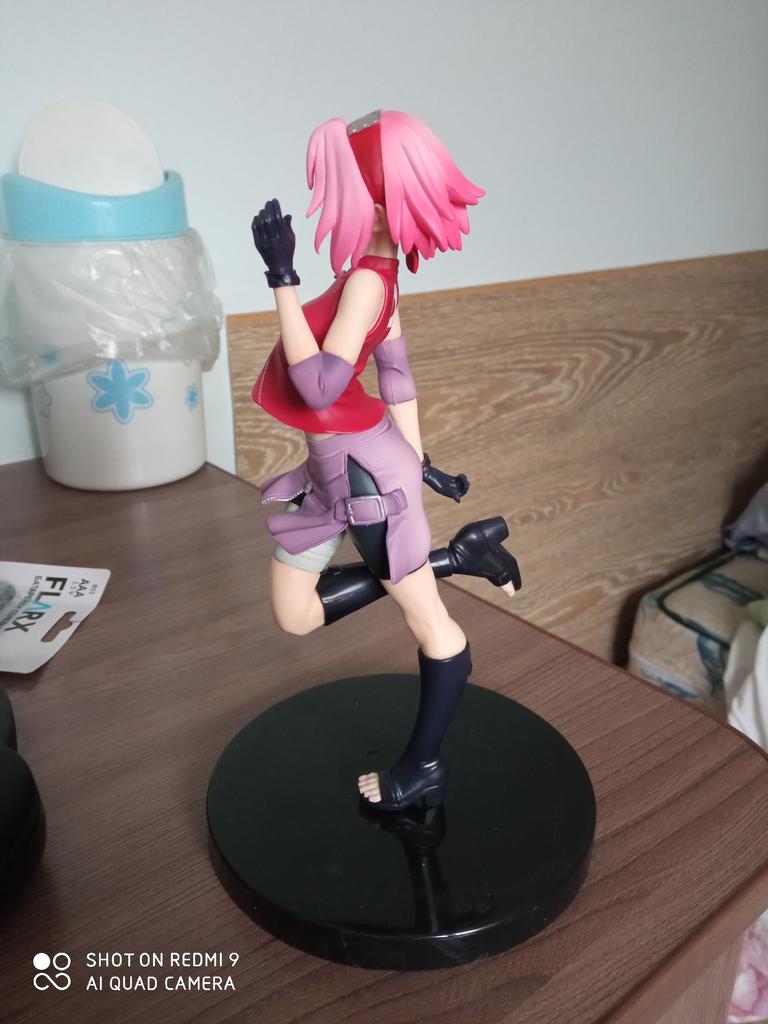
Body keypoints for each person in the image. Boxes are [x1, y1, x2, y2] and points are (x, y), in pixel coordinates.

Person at [251, 109, 521, 812]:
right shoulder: (375, 274)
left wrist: (281, 277)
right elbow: (395, 377)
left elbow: (319, 386)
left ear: (371, 203)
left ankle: (423, 767)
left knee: (433, 627)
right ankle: (454, 557)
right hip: (334, 472)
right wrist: (422, 458)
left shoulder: (369, 283)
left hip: (367, 480)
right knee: (295, 615)